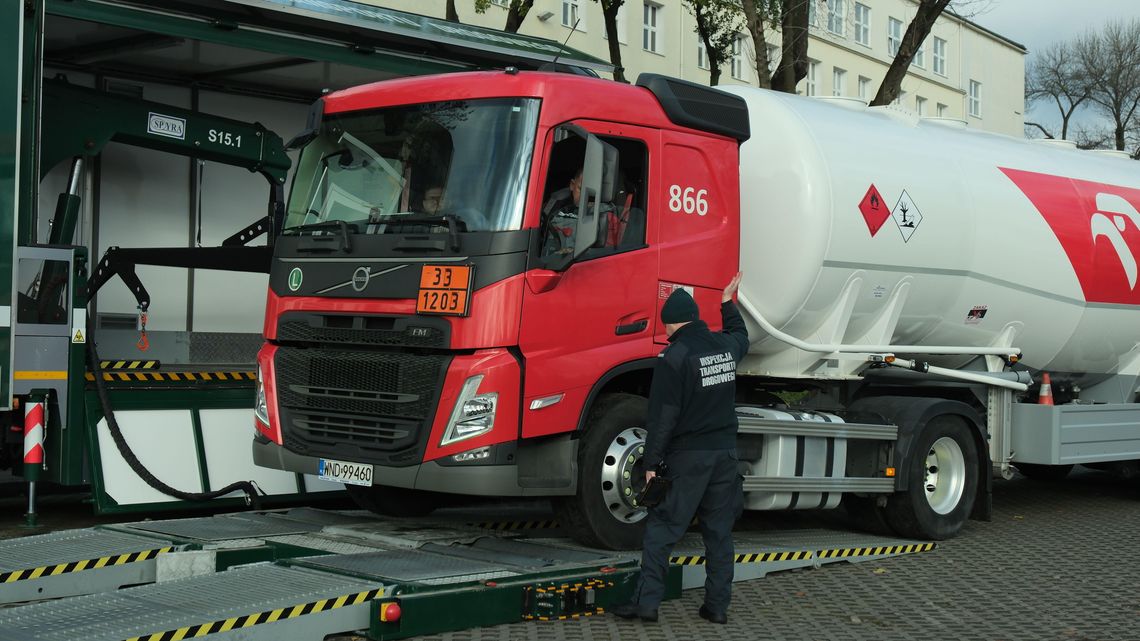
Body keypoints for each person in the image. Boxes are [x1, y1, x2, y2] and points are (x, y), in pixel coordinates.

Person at [612, 272, 749, 625]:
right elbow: (742, 336)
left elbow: (662, 417)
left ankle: (647, 604)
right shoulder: (725, 347)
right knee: (719, 533)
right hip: (725, 456)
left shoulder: (674, 357)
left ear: (671, 325)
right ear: (696, 319)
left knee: (662, 529)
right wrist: (726, 303)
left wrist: (651, 463)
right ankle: (717, 607)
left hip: (688, 458)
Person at [540, 170, 582, 256]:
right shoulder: (557, 204)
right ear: (572, 185)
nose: (584, 196)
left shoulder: (602, 210)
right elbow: (543, 234)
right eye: (580, 189)